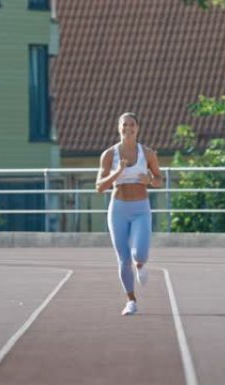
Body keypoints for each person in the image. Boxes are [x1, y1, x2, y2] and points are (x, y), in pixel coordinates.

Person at [95, 112, 163, 316]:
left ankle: (140, 264)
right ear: (119, 128)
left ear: (138, 128)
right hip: (118, 209)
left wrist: (149, 180)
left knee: (139, 253)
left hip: (140, 208)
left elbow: (160, 179)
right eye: (125, 125)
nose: (128, 128)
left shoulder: (148, 153)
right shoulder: (109, 155)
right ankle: (131, 300)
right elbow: (99, 187)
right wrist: (118, 172)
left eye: (132, 125)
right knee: (123, 259)